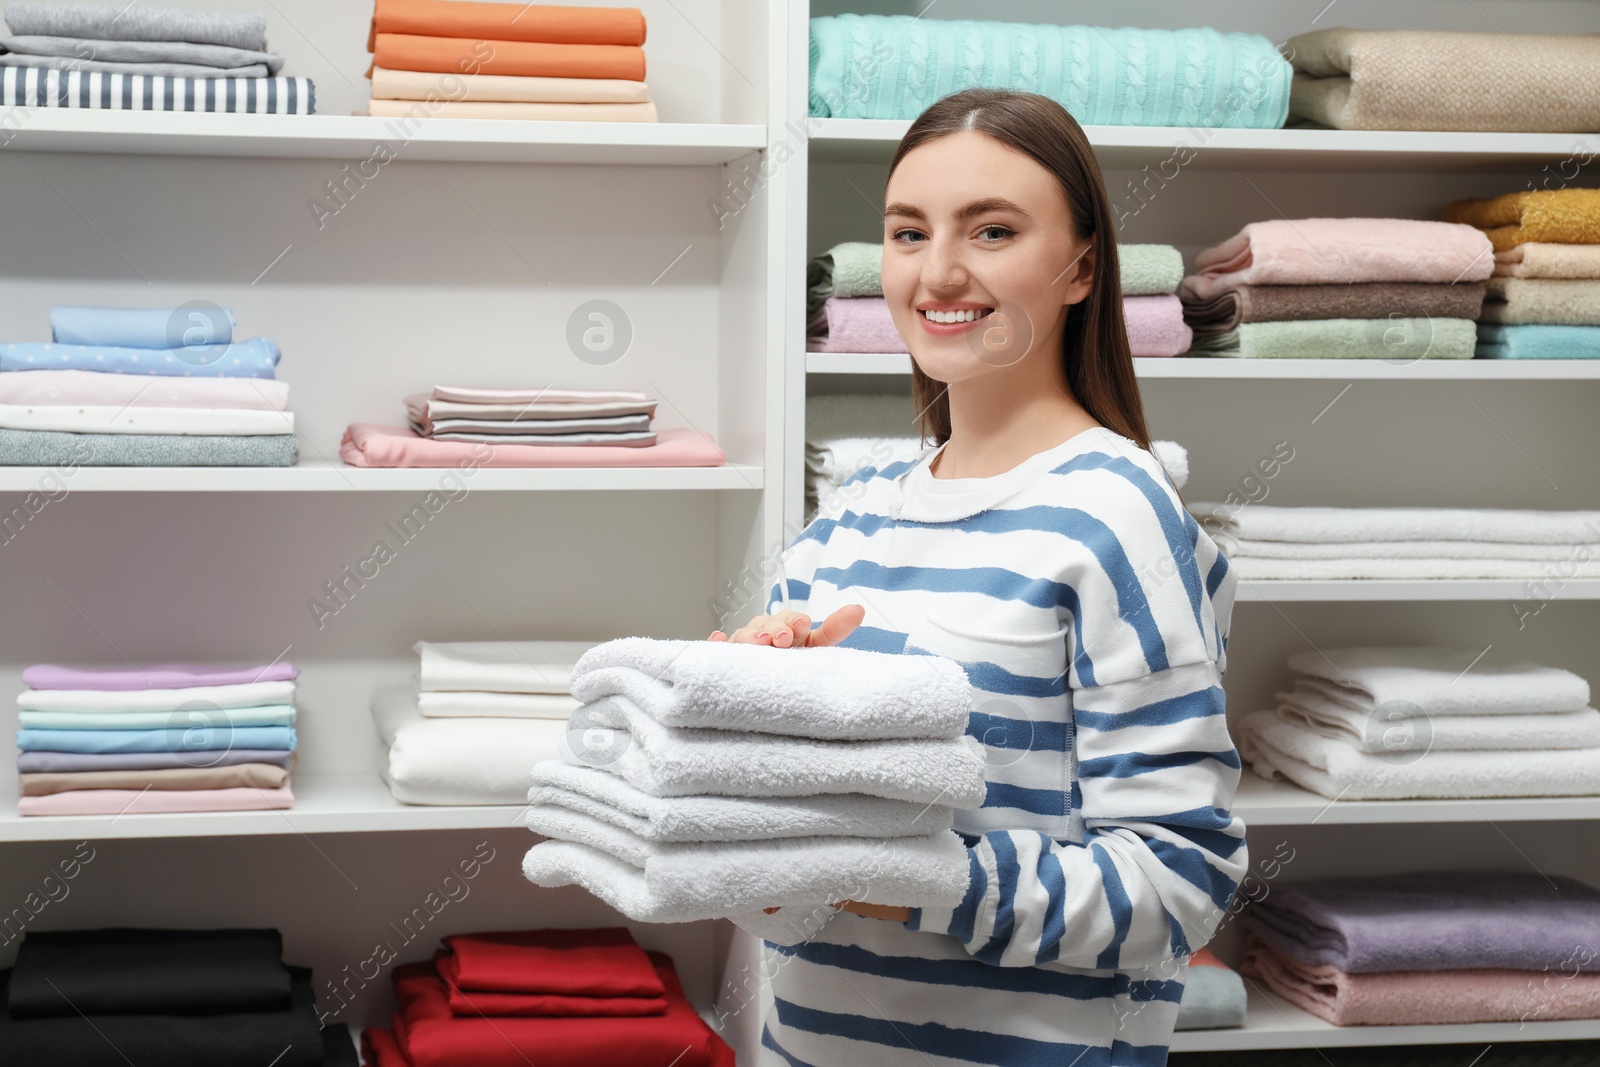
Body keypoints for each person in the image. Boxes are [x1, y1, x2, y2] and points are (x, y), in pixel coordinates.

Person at [711, 87, 1247, 1066]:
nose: (939, 270)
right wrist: (739, 746)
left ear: (1082, 267)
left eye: (991, 230)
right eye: (908, 233)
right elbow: (782, 908)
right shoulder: (850, 511)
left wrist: (916, 878)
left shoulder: (1115, 515)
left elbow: (1178, 881)